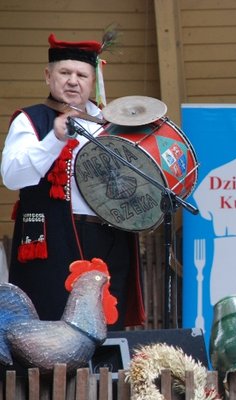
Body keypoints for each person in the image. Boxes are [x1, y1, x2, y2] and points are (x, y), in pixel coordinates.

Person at [1, 33, 145, 330]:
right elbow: (12, 175)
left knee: (107, 323)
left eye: (82, 74)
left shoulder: (112, 124)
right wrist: (54, 138)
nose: (72, 81)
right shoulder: (31, 119)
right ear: (48, 76)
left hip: (109, 237)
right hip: (54, 238)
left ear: (93, 81)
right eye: (64, 73)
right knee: (52, 325)